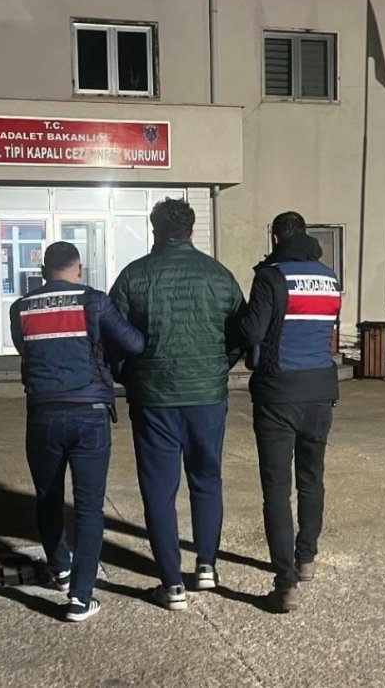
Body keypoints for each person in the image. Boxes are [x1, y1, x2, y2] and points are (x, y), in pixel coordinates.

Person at [110, 198, 244, 611]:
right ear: (191, 230)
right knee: (207, 479)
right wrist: (219, 368)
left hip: (154, 400)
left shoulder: (134, 276)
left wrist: (129, 375)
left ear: (154, 230)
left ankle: (171, 584)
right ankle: (206, 565)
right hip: (207, 396)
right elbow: (241, 331)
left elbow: (112, 335)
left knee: (159, 490)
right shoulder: (219, 277)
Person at [10, 241, 144, 622]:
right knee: (88, 507)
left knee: (47, 497)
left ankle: (59, 567)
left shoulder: (20, 308)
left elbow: (27, 349)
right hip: (89, 415)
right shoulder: (95, 302)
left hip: (43, 415)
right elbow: (133, 343)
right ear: (79, 269)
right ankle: (80, 598)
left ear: (43, 272)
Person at [234, 211, 342, 613]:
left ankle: (285, 583)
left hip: (279, 393)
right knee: (312, 480)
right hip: (319, 391)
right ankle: (307, 558)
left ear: (276, 235)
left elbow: (253, 332)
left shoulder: (271, 277)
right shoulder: (330, 278)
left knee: (277, 491)